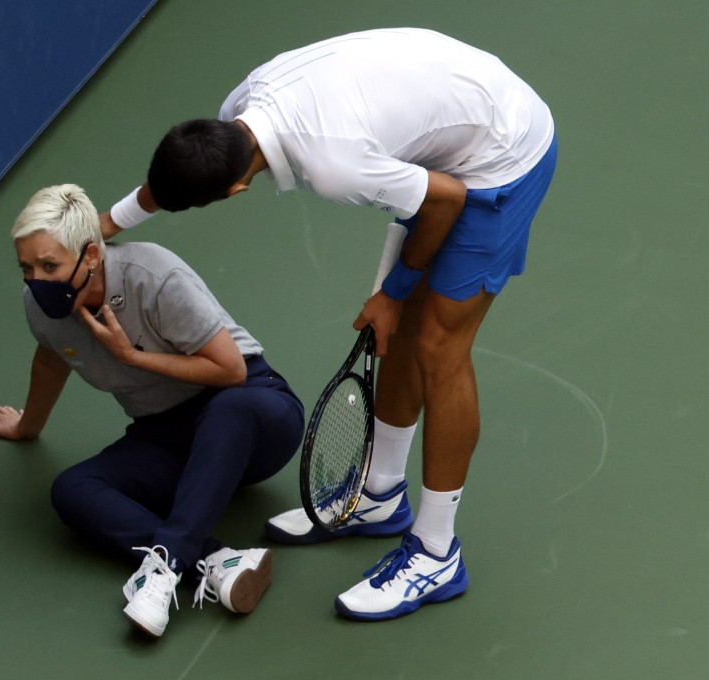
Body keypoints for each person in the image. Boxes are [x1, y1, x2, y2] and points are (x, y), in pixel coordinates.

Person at [98, 27, 557, 621]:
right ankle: (380, 495)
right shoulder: (237, 113)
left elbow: (443, 200)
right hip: (445, 119)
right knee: (398, 336)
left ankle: (437, 552)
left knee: (438, 348)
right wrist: (107, 223)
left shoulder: (334, 165)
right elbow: (170, 185)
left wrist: (392, 293)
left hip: (501, 152)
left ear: (237, 189)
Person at [0, 184, 305, 637]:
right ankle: (217, 560)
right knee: (73, 489)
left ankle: (166, 566)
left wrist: (133, 357)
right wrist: (27, 426)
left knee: (230, 410)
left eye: (49, 265)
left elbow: (229, 371)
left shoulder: (152, 276)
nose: (36, 280)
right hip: (167, 433)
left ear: (90, 255)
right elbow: (51, 359)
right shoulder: (41, 306)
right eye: (26, 268)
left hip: (254, 413)